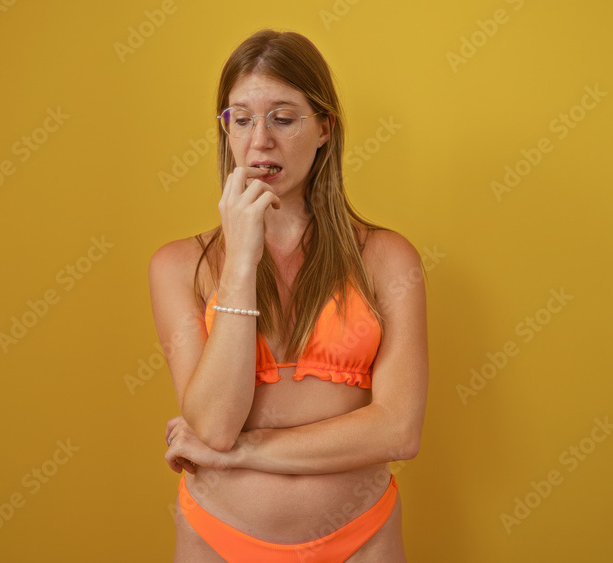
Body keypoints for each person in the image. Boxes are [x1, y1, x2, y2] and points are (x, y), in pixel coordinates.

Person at [148, 28, 429, 562]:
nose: (260, 141)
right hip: (216, 540)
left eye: (283, 117)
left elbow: (397, 431)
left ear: (324, 128)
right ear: (225, 129)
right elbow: (212, 424)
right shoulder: (179, 267)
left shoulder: (389, 259)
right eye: (242, 118)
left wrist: (242, 453)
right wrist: (240, 261)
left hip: (361, 539)